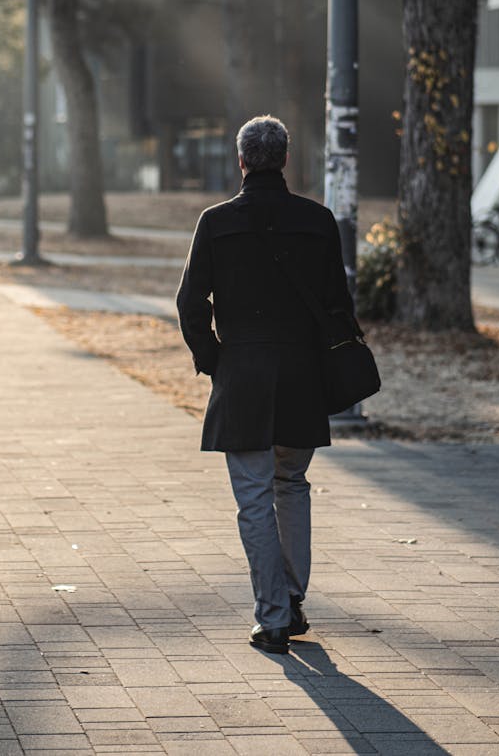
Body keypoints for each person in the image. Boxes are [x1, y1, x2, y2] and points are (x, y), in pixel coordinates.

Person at [176, 114, 354, 656]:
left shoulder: (216, 221)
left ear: (242, 160)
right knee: (292, 485)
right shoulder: (318, 220)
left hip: (244, 373)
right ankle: (293, 599)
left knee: (254, 495)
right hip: (299, 374)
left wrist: (213, 360)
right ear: (285, 159)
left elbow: (190, 302)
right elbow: (337, 307)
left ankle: (273, 616)